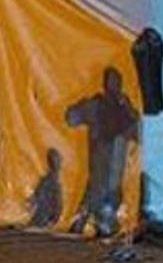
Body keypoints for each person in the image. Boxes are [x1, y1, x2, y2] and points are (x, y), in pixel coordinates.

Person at [65, 67, 139, 237]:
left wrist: (128, 109)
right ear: (105, 84)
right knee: (98, 186)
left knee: (111, 187)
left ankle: (102, 223)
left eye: (118, 82)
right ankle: (85, 220)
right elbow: (71, 117)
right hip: (101, 148)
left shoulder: (123, 104)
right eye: (112, 81)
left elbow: (135, 125)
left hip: (118, 148)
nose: (115, 85)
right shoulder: (96, 103)